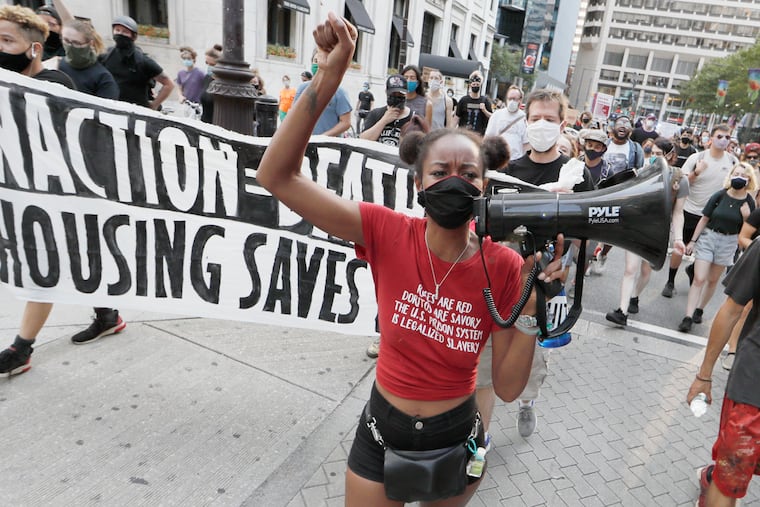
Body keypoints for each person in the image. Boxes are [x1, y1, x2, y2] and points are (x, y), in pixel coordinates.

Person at [256, 14, 565, 505]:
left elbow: (506, 389)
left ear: (485, 185)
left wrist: (532, 299)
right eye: (440, 171)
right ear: (418, 183)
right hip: (382, 433)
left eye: (469, 172)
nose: (454, 181)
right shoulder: (386, 231)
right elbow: (276, 176)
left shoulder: (504, 265)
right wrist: (329, 74)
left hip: (458, 436)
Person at [501, 88, 594, 438]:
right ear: (526, 122)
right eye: (535, 118)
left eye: (549, 119)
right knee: (497, 342)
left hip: (549, 278)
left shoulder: (576, 174)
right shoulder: (510, 171)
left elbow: (588, 226)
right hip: (509, 274)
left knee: (536, 354)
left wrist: (569, 264)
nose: (541, 124)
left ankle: (527, 402)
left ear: (563, 123)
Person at [0, 4, 79, 376]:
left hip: (49, 199)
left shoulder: (53, 86)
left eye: (6, 40)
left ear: (34, 49)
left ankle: (22, 348)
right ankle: (108, 312)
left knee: (41, 268)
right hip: (20, 196)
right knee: (82, 263)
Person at [687, 236, 760, 507]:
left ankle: (710, 476)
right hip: (753, 394)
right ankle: (713, 480)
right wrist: (704, 375)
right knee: (729, 478)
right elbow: (731, 310)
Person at [605, 137, 688, 326]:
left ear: (670, 155)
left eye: (659, 154)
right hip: (637, 226)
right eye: (652, 154)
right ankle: (622, 311)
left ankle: (635, 297)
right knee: (630, 269)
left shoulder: (679, 179)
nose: (655, 158)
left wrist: (679, 238)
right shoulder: (642, 173)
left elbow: (678, 212)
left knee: (645, 270)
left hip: (658, 231)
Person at [678, 162, 757, 332]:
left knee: (712, 280)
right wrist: (692, 241)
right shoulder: (720, 195)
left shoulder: (749, 203)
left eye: (743, 176)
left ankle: (700, 309)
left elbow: (747, 232)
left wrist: (746, 217)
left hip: (729, 242)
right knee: (699, 279)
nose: (739, 178)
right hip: (709, 237)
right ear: (730, 175)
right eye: (736, 174)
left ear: (749, 179)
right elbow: (705, 218)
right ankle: (688, 316)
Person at [662, 125, 738, 298]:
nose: (724, 140)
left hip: (713, 215)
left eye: (727, 137)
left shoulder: (732, 162)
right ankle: (670, 281)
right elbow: (682, 183)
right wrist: (696, 172)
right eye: (720, 136)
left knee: (705, 252)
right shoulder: (697, 157)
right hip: (690, 210)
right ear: (711, 138)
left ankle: (692, 270)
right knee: (679, 248)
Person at [100, 15, 174, 110]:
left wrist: (154, 105)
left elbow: (168, 84)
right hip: (111, 109)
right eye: (117, 30)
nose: (120, 34)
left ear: (133, 36)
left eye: (125, 32)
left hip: (137, 112)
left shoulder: (142, 61)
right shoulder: (106, 56)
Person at [45, 18, 119, 99]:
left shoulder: (103, 78)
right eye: (66, 40)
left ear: (90, 43)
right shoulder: (54, 65)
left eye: (76, 43)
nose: (70, 46)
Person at [293, 51, 352, 136]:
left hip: (329, 146)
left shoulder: (339, 92)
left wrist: (323, 137)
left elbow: (346, 123)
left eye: (322, 60)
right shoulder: (302, 88)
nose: (318, 64)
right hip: (305, 143)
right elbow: (294, 116)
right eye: (315, 61)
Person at [360, 74, 413, 146]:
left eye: (400, 94)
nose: (397, 97)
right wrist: (384, 120)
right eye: (393, 93)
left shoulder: (413, 117)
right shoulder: (375, 114)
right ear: (386, 92)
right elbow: (362, 141)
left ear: (406, 94)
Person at [484, 84, 528, 161]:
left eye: (514, 99)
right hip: (498, 160)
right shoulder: (497, 115)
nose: (512, 101)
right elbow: (488, 138)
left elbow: (526, 143)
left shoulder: (524, 118)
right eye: (509, 98)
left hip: (516, 160)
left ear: (520, 100)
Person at [454, 70, 492, 136]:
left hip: (479, 136)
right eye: (474, 84)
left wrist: (485, 111)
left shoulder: (485, 100)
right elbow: (456, 118)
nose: (475, 86)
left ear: (480, 85)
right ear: (470, 85)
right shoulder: (463, 100)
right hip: (464, 135)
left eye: (477, 84)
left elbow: (492, 117)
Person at [199, 44, 222, 123]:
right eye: (207, 63)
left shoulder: (223, 83)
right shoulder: (207, 78)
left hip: (216, 124)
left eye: (212, 64)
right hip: (204, 122)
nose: (209, 66)